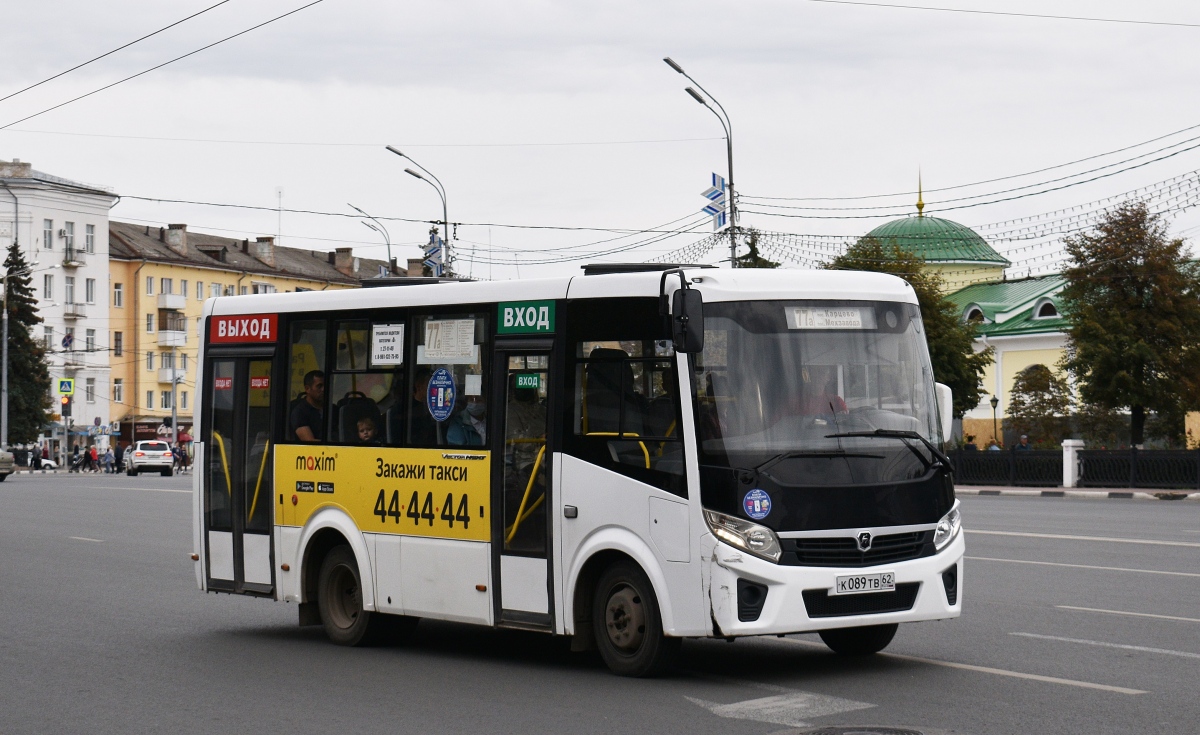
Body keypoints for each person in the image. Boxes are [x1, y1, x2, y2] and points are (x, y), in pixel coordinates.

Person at [289, 370, 325, 442]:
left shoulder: (333, 409)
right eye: (319, 386)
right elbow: (310, 442)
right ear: (307, 389)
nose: (323, 389)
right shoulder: (300, 412)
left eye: (326, 385)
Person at [409, 366, 438, 445]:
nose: (434, 389)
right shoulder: (410, 410)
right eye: (430, 385)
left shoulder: (435, 406)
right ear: (418, 386)